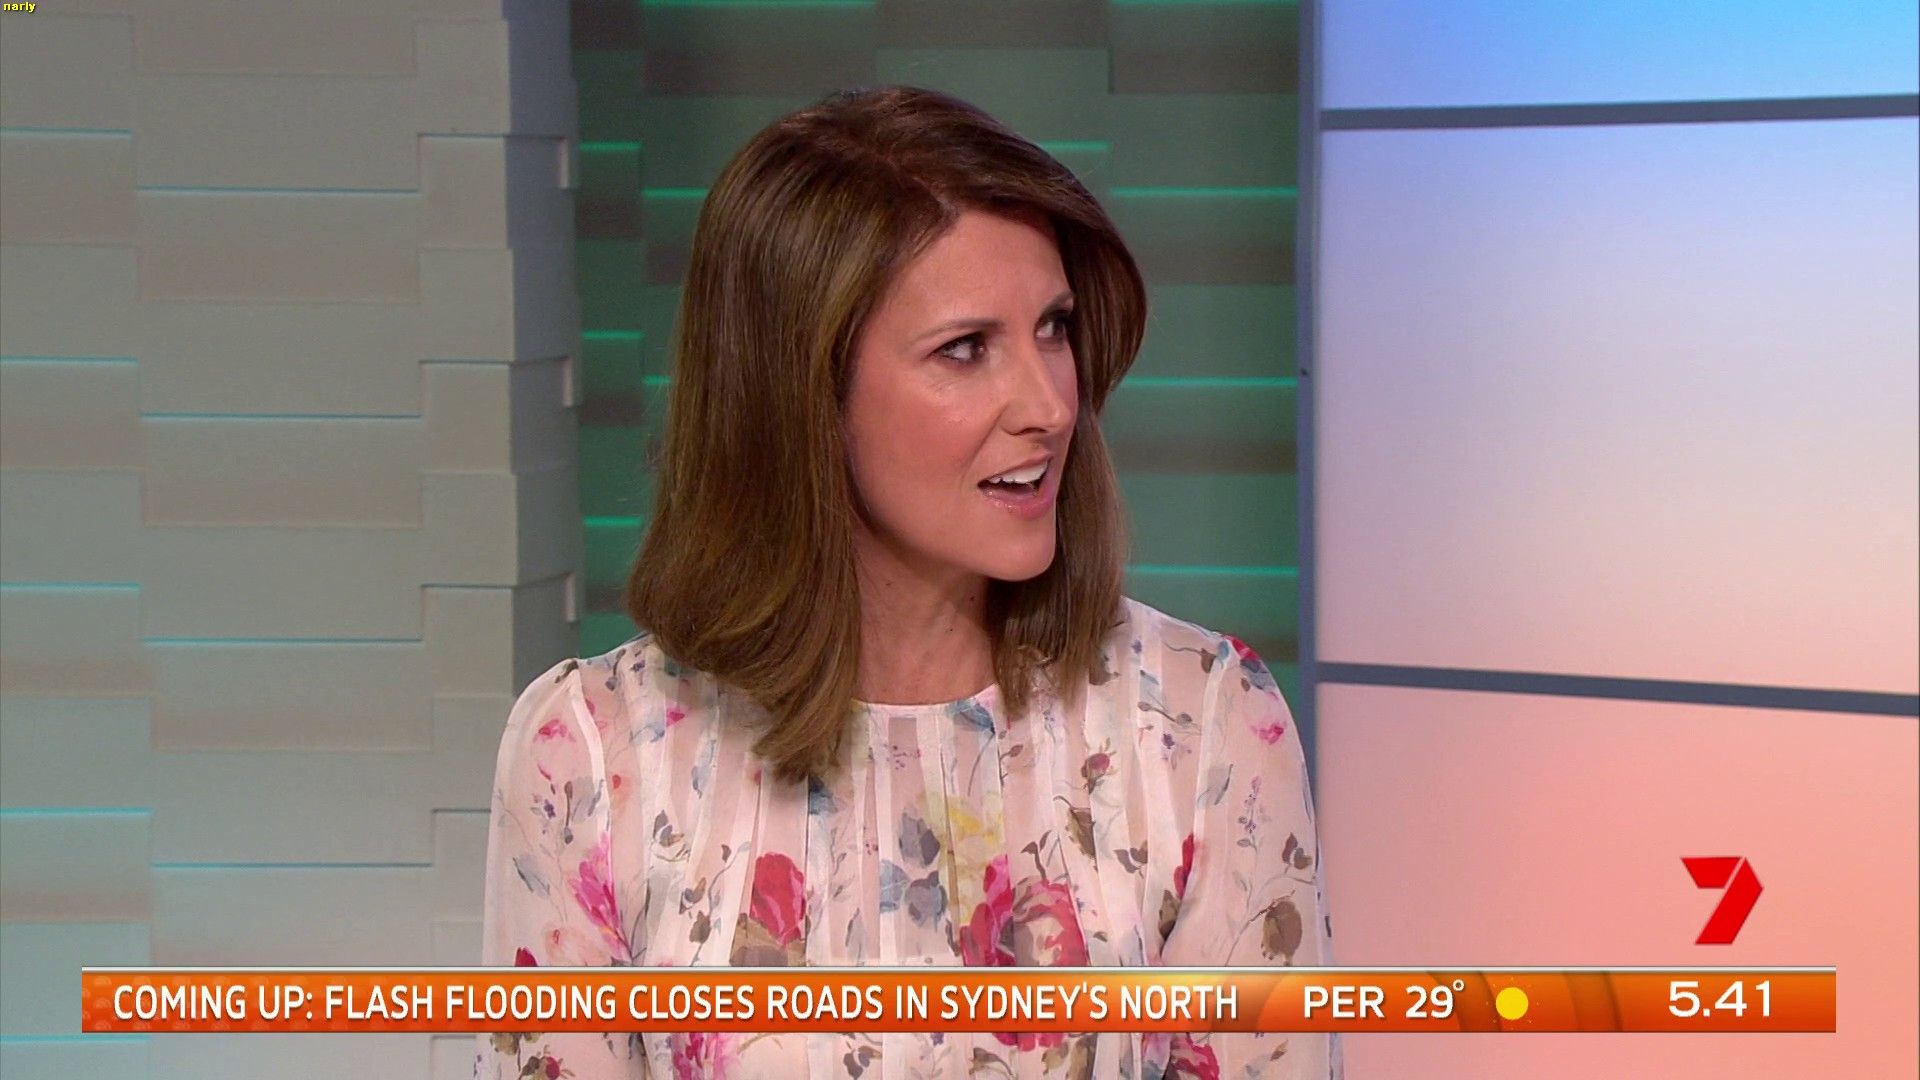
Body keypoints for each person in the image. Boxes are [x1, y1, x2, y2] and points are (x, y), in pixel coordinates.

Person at [475, 84, 1338, 1080]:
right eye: (966, 349)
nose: (1050, 405)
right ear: (803, 394)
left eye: (1054, 328)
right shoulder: (589, 756)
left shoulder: (1202, 728)